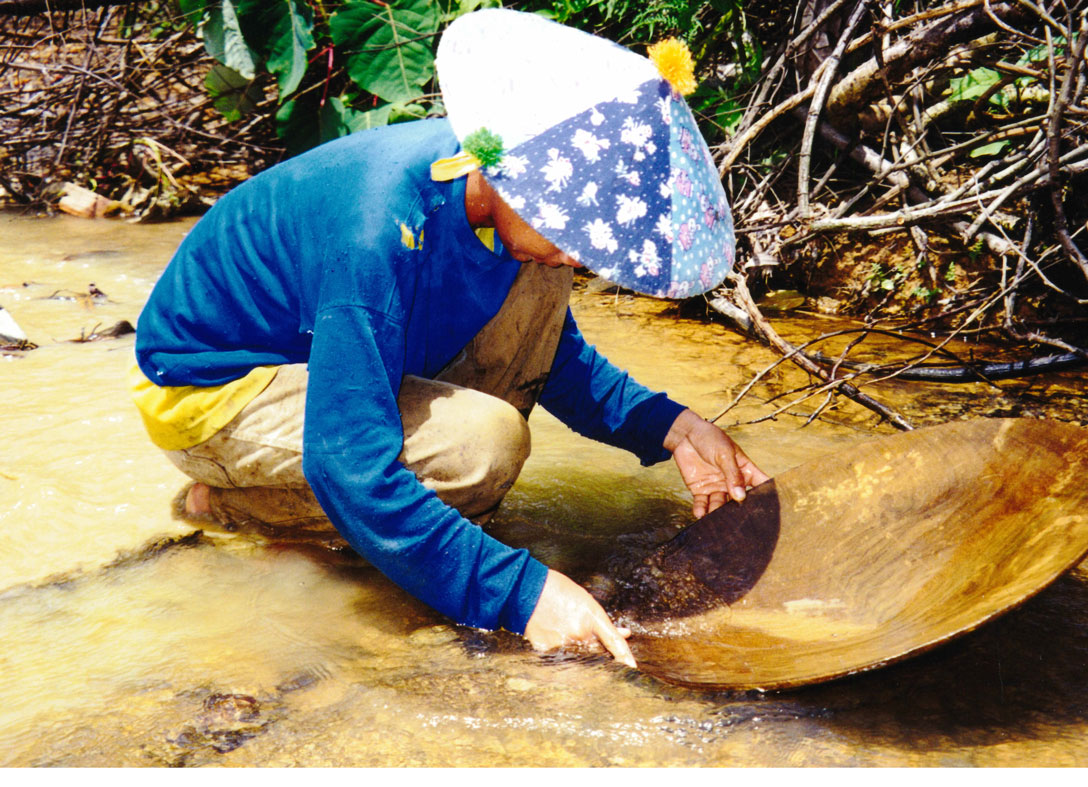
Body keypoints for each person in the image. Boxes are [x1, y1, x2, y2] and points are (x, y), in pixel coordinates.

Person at [129, 9, 767, 669]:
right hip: (209, 388)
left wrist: (676, 429)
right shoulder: (380, 228)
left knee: (539, 290)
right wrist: (522, 594)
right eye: (571, 230)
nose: (579, 257)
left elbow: (554, 359)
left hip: (325, 359)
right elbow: (348, 462)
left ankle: (384, 528)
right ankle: (237, 506)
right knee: (482, 445)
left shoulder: (500, 209)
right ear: (512, 172)